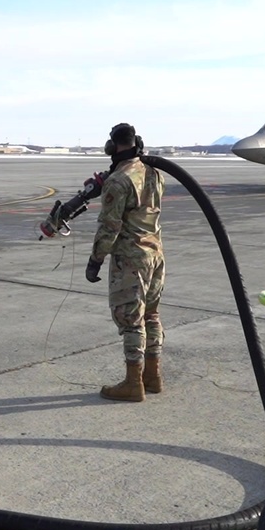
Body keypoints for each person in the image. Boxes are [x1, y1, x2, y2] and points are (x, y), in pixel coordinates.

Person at [84, 123, 166, 403]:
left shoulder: (119, 181)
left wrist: (95, 259)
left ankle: (133, 383)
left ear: (112, 145)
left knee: (131, 320)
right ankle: (152, 376)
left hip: (131, 258)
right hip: (155, 254)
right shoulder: (154, 173)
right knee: (151, 315)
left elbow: (110, 227)